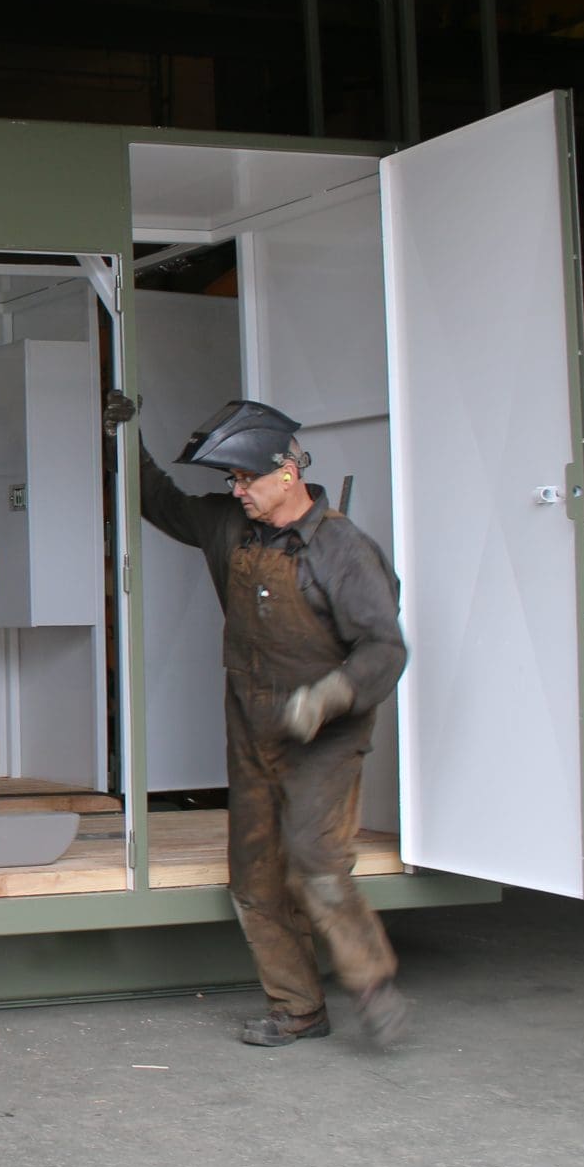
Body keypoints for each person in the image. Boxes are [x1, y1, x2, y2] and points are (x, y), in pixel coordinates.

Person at [138, 398, 412, 1049]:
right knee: (254, 877)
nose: (237, 491)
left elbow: (384, 647)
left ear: (287, 473)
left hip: (326, 737)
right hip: (252, 730)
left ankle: (372, 985)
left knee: (315, 860)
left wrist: (332, 694)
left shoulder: (342, 550)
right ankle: (299, 1009)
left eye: (245, 479)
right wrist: (120, 435)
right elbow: (159, 500)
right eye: (231, 480)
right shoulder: (228, 527)